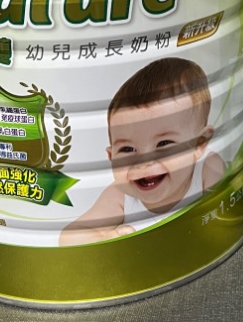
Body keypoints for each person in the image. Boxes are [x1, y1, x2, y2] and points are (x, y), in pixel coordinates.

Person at [60, 57, 225, 246]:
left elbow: (223, 212)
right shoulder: (120, 195)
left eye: (163, 143)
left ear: (199, 144)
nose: (144, 162)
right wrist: (106, 238)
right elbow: (69, 237)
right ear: (111, 157)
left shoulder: (207, 169)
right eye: (128, 149)